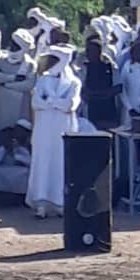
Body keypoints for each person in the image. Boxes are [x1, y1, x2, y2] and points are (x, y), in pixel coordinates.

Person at [26, 45, 81, 218]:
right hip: (44, 129)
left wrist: (51, 101)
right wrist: (55, 102)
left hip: (63, 128)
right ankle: (41, 204)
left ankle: (60, 203)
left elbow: (71, 104)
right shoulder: (43, 80)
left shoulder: (74, 82)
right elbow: (36, 103)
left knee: (61, 163)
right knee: (43, 163)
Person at [0, 29, 37, 148]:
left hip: (18, 107)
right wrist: (12, 77)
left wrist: (6, 85)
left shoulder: (29, 64)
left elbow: (28, 84)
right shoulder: (1, 59)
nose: (11, 48)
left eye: (15, 46)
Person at [0, 120, 32, 196]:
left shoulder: (24, 147)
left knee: (26, 173)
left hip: (16, 172)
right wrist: (4, 148)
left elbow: (29, 163)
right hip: (0, 170)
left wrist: (16, 153)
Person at [80, 35, 120, 130]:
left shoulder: (110, 67)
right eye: (89, 51)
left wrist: (104, 94)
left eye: (94, 51)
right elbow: (80, 86)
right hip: (90, 107)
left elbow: (118, 87)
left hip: (107, 107)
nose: (91, 54)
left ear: (100, 52)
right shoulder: (82, 68)